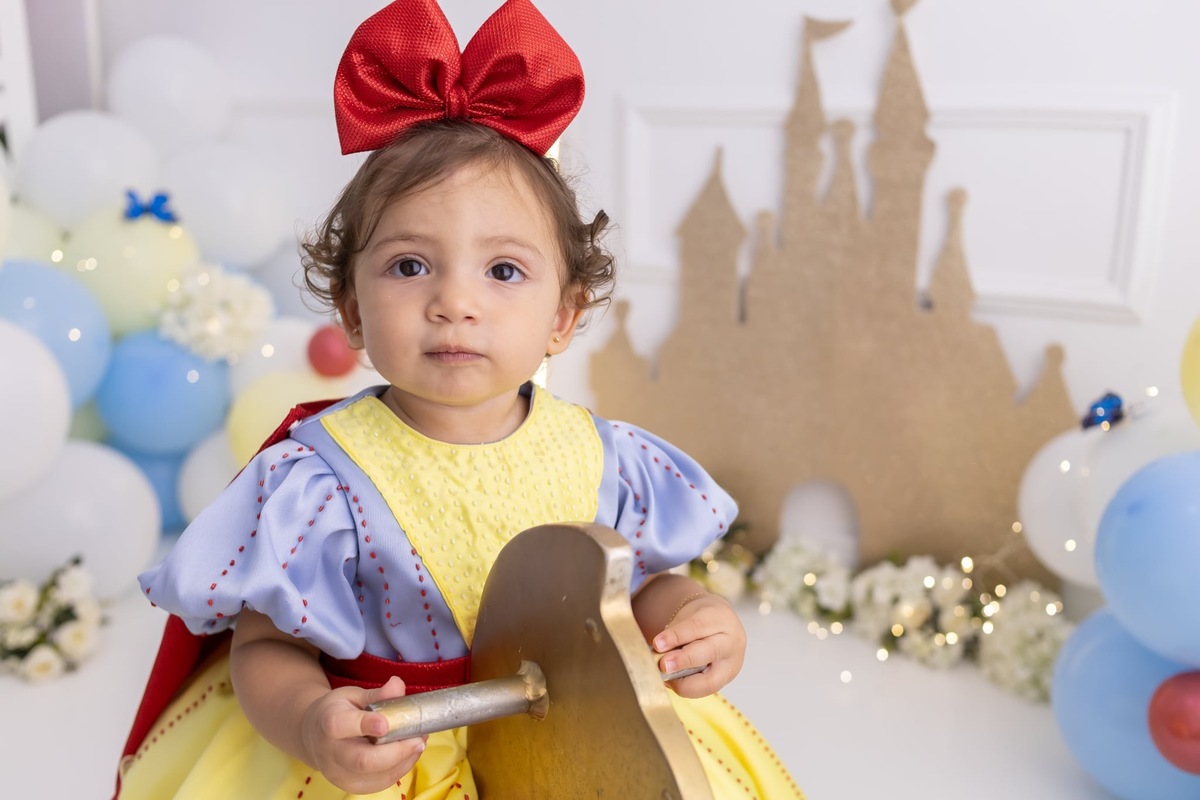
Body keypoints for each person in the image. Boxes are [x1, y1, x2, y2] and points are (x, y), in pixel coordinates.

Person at [116, 1, 803, 798]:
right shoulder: (318, 481)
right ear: (350, 308)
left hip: (581, 748)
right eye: (410, 266)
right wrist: (312, 719)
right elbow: (265, 646)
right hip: (395, 749)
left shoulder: (605, 456)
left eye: (502, 271)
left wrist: (694, 618)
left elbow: (638, 588)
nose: (454, 302)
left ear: (563, 315)